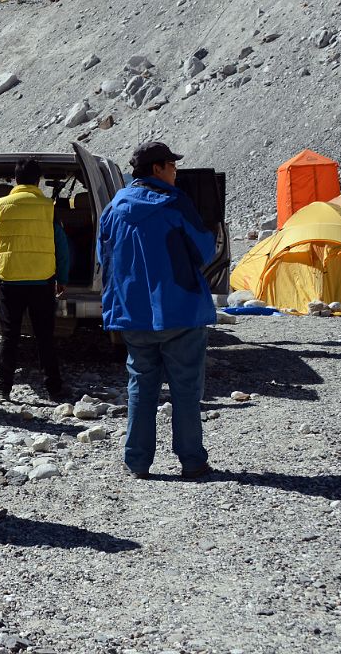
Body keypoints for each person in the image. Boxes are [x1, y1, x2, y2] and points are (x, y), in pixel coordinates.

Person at [97, 141, 216, 480]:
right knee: (186, 390)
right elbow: (204, 250)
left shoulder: (114, 207)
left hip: (132, 316)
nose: (176, 170)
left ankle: (137, 462)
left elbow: (101, 259)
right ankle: (191, 461)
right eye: (171, 165)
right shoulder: (175, 203)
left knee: (140, 388)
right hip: (179, 312)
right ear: (157, 169)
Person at [0, 160, 70, 403]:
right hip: (42, 280)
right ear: (38, 180)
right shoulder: (48, 206)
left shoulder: (1, 206)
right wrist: (62, 278)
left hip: (9, 280)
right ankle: (53, 388)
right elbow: (61, 245)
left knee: (9, 336)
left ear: (15, 179)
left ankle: (4, 387)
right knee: (44, 336)